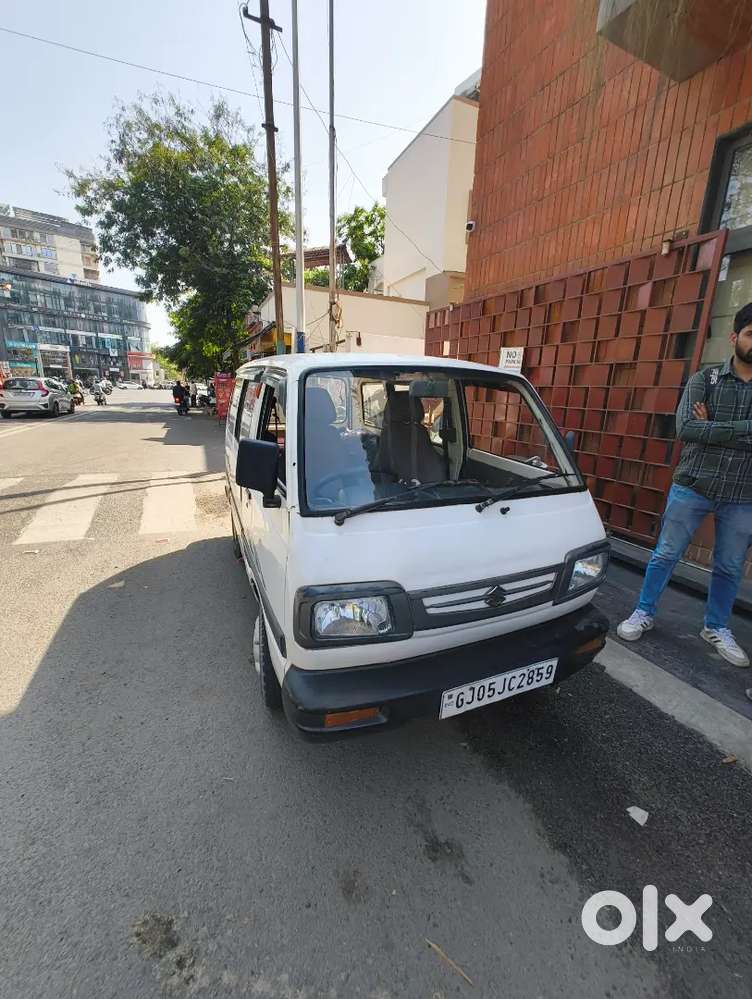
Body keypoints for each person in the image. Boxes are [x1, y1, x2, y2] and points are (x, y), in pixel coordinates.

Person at [617, 302, 752, 667]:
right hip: (693, 485)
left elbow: (701, 431)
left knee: (728, 565)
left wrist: (712, 429)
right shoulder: (704, 381)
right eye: (751, 334)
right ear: (734, 337)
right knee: (666, 554)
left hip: (743, 492)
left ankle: (716, 627)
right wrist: (742, 429)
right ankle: (643, 611)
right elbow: (685, 430)